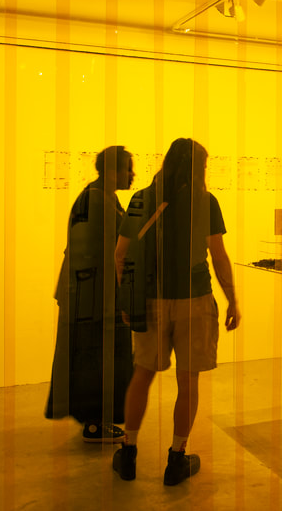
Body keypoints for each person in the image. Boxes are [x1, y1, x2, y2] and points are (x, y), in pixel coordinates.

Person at [112, 138, 240, 486]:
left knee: (142, 375)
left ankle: (128, 452)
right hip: (195, 300)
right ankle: (176, 458)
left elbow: (120, 254)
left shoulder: (141, 199)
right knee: (188, 381)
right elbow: (218, 255)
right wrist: (232, 299)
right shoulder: (206, 202)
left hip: (150, 301)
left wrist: (128, 298)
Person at [45, 145, 135, 443]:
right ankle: (95, 424)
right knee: (95, 359)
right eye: (127, 169)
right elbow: (114, 246)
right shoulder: (96, 200)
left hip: (93, 294)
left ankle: (97, 421)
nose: (132, 174)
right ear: (112, 171)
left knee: (98, 357)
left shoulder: (102, 197)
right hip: (91, 298)